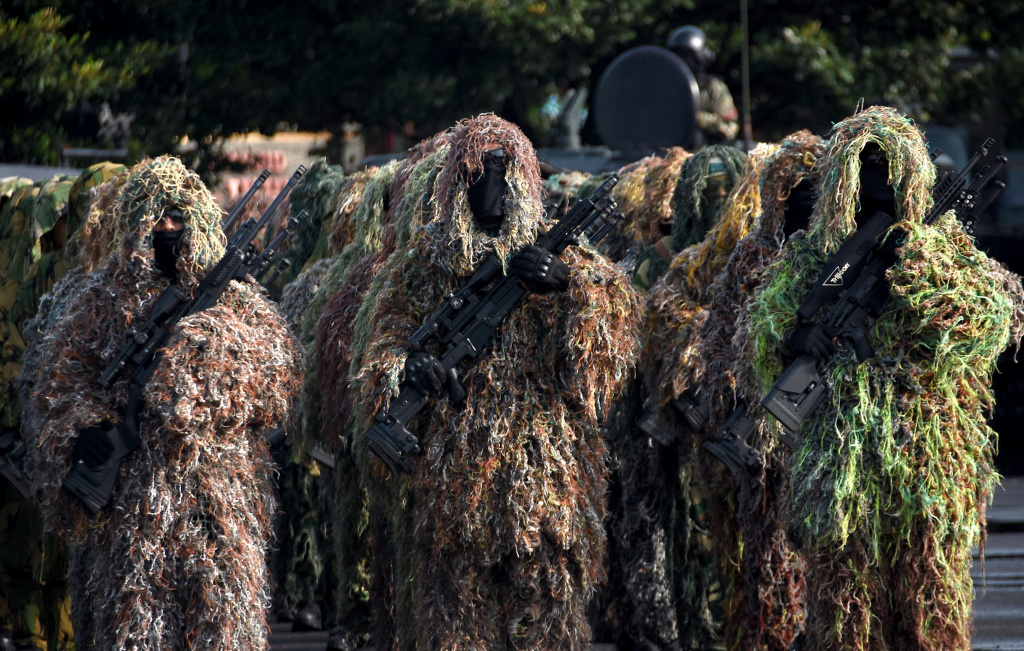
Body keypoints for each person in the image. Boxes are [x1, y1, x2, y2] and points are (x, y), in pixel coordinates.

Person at [352, 114, 643, 650]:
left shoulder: (563, 258)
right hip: (452, 490)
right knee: (457, 628)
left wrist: (569, 286)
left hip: (547, 487)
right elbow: (381, 349)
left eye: (503, 172)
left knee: (547, 623)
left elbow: (610, 355)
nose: (491, 187)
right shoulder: (422, 265)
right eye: (478, 172)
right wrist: (406, 368)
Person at [743, 106, 1023, 650]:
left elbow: (989, 323)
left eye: (890, 165)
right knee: (848, 620)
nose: (880, 180)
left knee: (928, 618)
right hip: (838, 468)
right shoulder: (812, 261)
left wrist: (921, 271)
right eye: (867, 166)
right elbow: (763, 334)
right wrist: (795, 339)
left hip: (925, 463)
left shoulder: (943, 247)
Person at [28, 156, 301, 651]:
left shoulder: (234, 300)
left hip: (220, 506)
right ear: (134, 224)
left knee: (222, 632)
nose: (168, 229)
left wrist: (207, 355)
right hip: (134, 513)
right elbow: (60, 383)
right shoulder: (102, 299)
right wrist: (85, 428)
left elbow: (276, 379)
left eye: (178, 217)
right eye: (156, 218)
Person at [696, 131, 826, 649]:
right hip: (766, 441)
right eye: (795, 189)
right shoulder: (751, 259)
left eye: (816, 187)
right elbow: (721, 337)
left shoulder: (836, 255)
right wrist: (736, 397)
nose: (806, 198)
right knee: (769, 572)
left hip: (824, 436)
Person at [632, 145, 746, 291]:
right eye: (711, 188)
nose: (721, 193)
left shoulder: (759, 256)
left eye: (729, 187)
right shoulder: (664, 255)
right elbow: (635, 309)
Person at [667, 26, 739, 146]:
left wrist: (700, 119)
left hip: (705, 156)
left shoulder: (713, 89)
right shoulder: (666, 89)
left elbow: (730, 128)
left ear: (700, 57)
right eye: (678, 55)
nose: (682, 61)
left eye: (687, 56)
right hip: (666, 155)